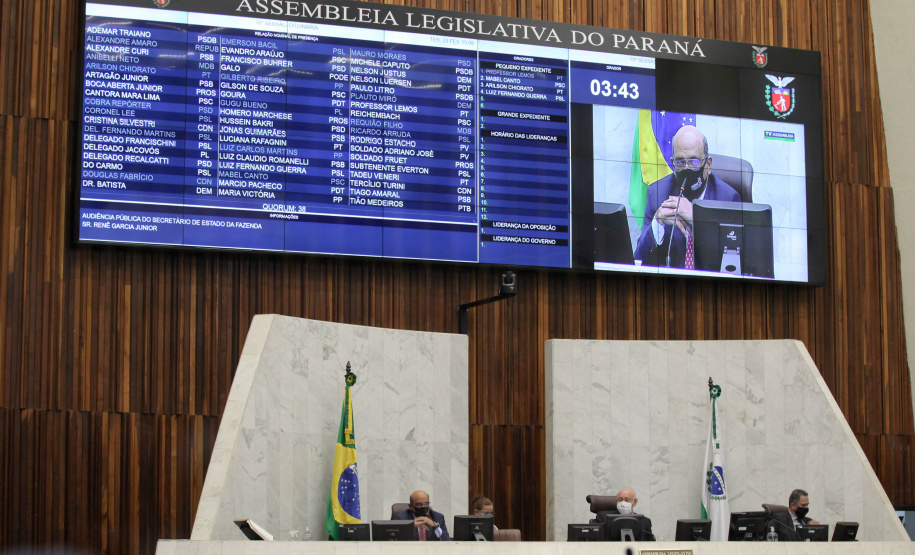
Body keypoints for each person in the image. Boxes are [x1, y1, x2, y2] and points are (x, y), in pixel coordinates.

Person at [633, 125, 740, 268]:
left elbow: (734, 260)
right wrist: (658, 223)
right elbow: (639, 259)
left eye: (694, 162)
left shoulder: (727, 198)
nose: (687, 168)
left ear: (707, 165)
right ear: (672, 163)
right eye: (680, 162)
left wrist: (699, 219)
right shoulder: (658, 193)